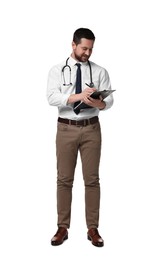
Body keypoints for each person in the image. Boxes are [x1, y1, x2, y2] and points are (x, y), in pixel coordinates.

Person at [47, 28, 114, 247]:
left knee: (92, 180)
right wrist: (78, 96)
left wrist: (98, 103)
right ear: (73, 45)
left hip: (91, 129)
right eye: (84, 48)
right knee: (64, 179)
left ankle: (92, 228)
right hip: (66, 129)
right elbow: (52, 97)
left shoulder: (100, 71)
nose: (87, 53)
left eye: (91, 49)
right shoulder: (58, 70)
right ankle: (62, 227)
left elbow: (109, 103)